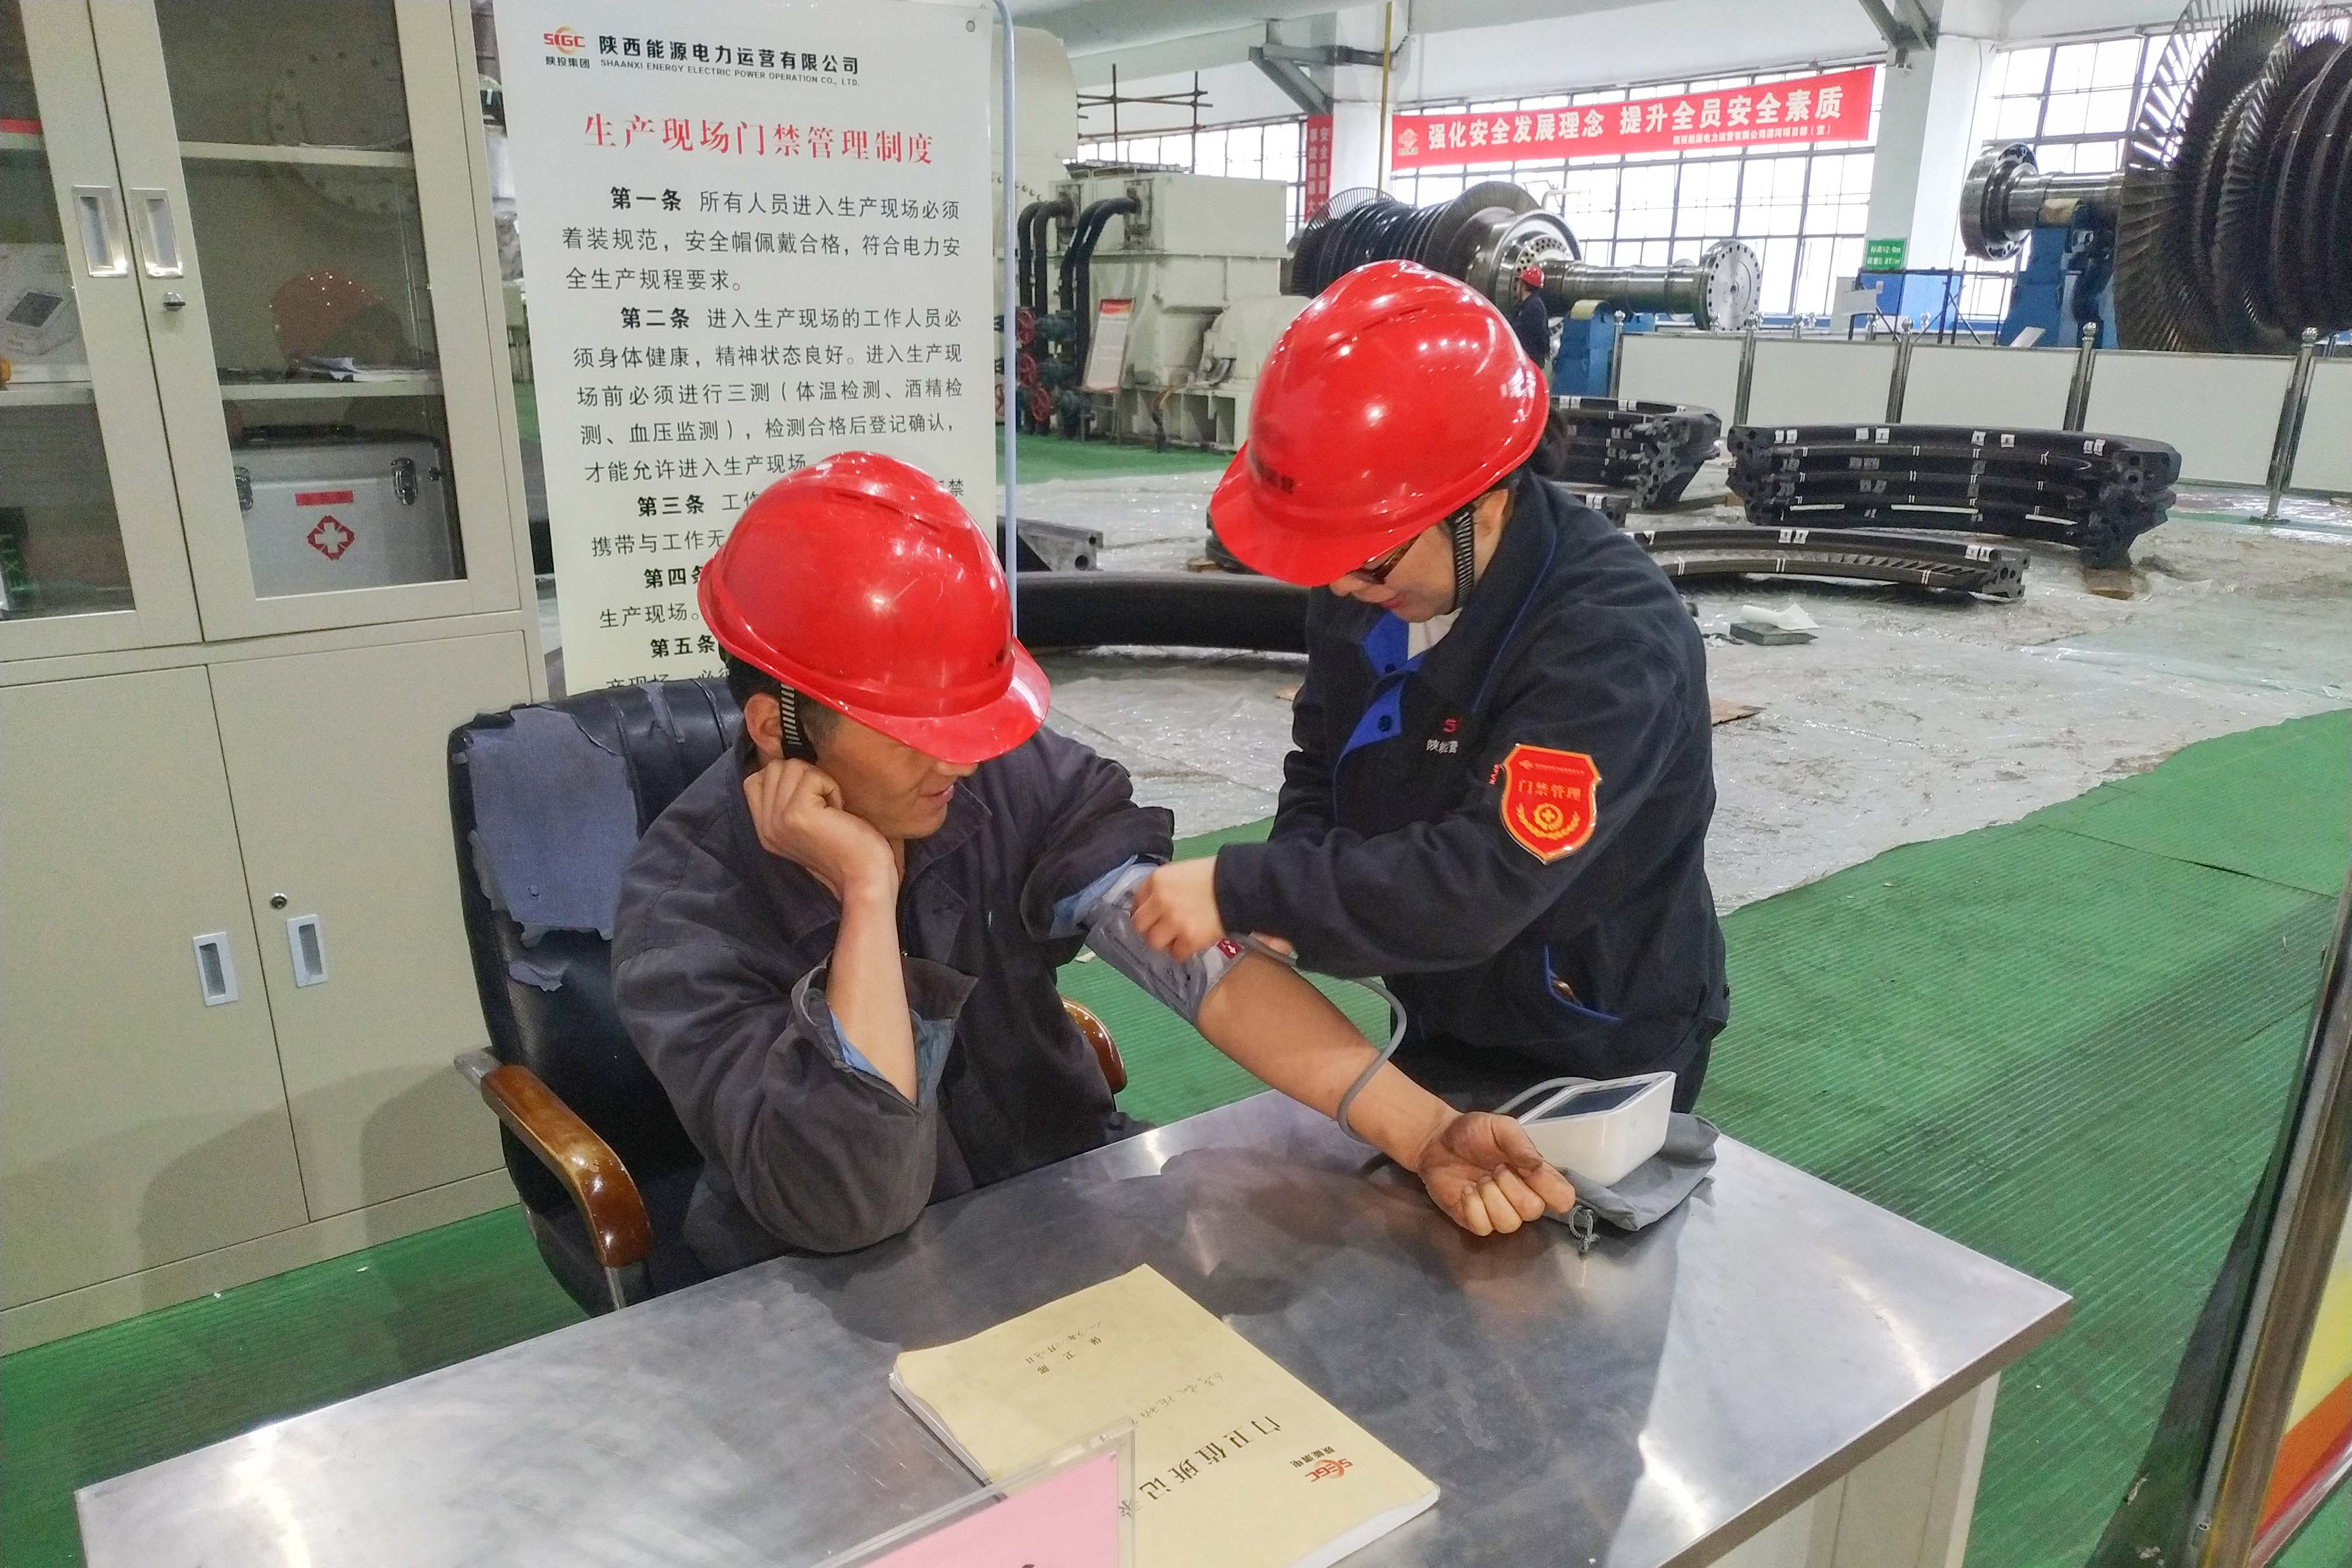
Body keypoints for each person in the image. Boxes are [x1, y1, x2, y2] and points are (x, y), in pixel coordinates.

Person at [612, 451, 1576, 1272]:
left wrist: (1424, 1131)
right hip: (829, 1287)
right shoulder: (686, 908)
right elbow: (852, 1204)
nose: (957, 761)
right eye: (913, 730)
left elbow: (1189, 956)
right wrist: (868, 893)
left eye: (965, 719)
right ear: (774, 725)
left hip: (1052, 1197)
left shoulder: (1006, 778)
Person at [1131, 261, 1727, 1112]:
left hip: (1589, 1028)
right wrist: (1298, 870)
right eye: (1330, 562)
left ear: (1483, 505)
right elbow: (1324, 754)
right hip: (1436, 998)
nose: (1343, 588)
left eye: (1368, 564)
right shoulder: (1371, 578)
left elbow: (1483, 883)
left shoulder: (1611, 643)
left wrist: (1245, 887)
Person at [1509, 263, 1555, 379]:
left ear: (1523, 285)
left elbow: (1541, 333)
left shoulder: (1535, 306)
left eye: (1519, 283)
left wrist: (1545, 350)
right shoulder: (1523, 305)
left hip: (1531, 363)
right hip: (1523, 361)